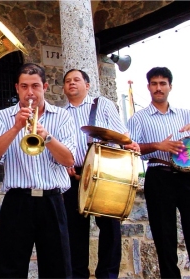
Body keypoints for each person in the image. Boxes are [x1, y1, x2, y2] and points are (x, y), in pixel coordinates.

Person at [127, 67, 190, 278]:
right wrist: (158, 145)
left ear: (170, 86)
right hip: (158, 176)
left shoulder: (186, 115)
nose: (158, 88)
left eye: (163, 83)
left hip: (188, 178)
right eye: (154, 84)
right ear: (148, 87)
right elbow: (131, 148)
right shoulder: (139, 119)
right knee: (164, 237)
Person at [0, 63, 75, 278]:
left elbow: (69, 159)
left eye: (35, 86)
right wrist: (15, 127)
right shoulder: (2, 117)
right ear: (16, 88)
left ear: (44, 86)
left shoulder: (62, 117)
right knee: (11, 269)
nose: (30, 92)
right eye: (24, 87)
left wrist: (48, 138)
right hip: (17, 202)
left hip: (52, 201)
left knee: (58, 268)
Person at [61, 69, 140, 278]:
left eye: (77, 80)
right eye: (68, 81)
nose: (72, 83)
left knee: (110, 227)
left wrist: (123, 141)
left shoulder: (102, 104)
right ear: (63, 88)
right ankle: (78, 275)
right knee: (74, 231)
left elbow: (121, 135)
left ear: (87, 85)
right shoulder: (60, 113)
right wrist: (63, 163)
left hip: (103, 171)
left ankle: (108, 274)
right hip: (72, 176)